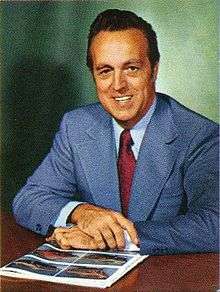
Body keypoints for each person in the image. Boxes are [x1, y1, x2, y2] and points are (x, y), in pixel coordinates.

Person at [13, 9, 219, 255]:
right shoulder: (76, 126)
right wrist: (82, 213)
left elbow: (215, 224)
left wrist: (116, 237)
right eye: (105, 71)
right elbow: (28, 199)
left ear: (154, 70)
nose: (118, 85)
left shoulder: (199, 135)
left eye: (131, 68)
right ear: (93, 76)